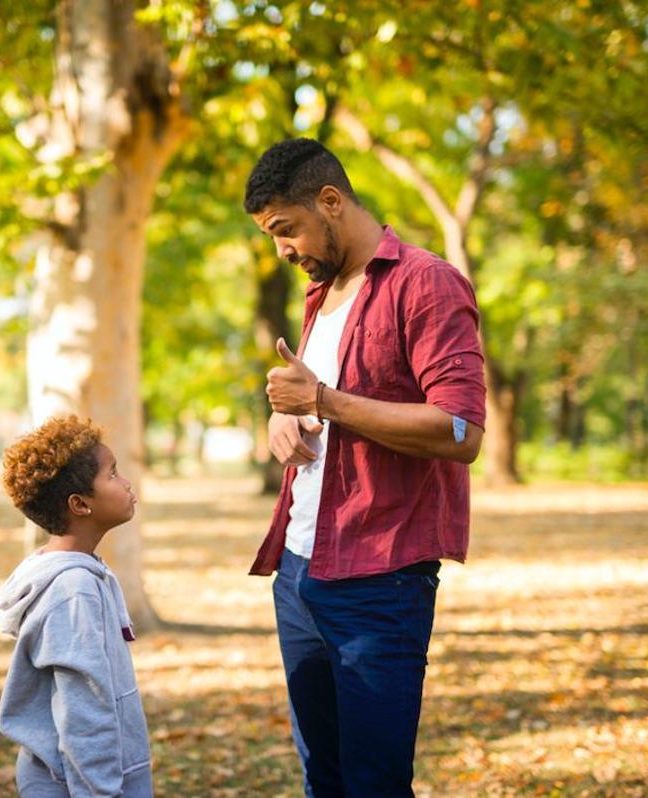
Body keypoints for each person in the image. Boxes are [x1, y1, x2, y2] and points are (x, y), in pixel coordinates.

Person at [245, 138, 487, 797]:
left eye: (284, 230)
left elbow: (461, 430)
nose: (284, 252)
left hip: (380, 579)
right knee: (322, 778)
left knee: (374, 784)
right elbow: (325, 411)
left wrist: (322, 400)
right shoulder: (321, 297)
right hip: (297, 574)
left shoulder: (426, 284)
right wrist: (285, 421)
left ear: (331, 201)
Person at [0, 415, 152, 798]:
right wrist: (101, 792)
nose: (126, 482)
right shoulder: (73, 590)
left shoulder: (81, 573)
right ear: (80, 504)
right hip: (79, 787)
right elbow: (85, 712)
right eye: (113, 474)